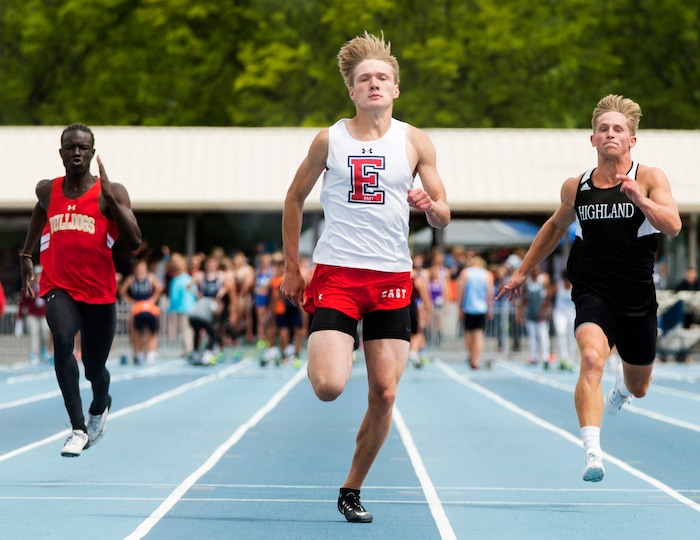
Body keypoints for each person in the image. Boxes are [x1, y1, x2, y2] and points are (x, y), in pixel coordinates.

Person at [280, 31, 450, 523]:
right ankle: (329, 341)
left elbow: (443, 213)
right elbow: (293, 199)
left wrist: (430, 206)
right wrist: (294, 267)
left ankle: (351, 489)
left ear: (396, 88)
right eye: (364, 79)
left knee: (385, 393)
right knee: (329, 386)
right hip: (338, 273)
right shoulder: (329, 139)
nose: (374, 84)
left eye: (382, 77)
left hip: (393, 277)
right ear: (351, 91)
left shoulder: (415, 141)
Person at [497, 95, 681, 483]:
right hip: (592, 291)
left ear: (632, 140)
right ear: (592, 139)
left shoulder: (649, 178)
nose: (610, 134)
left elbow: (673, 225)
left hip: (637, 297)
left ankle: (624, 388)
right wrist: (521, 273)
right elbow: (553, 229)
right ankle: (592, 452)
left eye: (618, 130)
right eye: (603, 129)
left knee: (640, 385)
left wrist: (641, 200)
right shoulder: (576, 186)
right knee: (592, 360)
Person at [19, 123, 142, 457]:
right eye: (70, 147)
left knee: (93, 368)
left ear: (92, 152)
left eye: (83, 147)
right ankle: (77, 427)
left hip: (99, 294)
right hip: (59, 286)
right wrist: (26, 253)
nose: (76, 152)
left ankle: (100, 403)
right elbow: (38, 213)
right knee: (61, 339)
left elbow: (134, 242)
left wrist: (111, 200)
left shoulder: (112, 192)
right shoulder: (47, 190)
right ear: (61, 153)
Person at [118, 259, 163, 364]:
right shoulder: (131, 279)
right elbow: (122, 291)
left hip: (148, 306)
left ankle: (151, 352)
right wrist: (130, 301)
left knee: (152, 330)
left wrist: (153, 299)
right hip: (137, 306)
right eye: (139, 268)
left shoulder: (150, 277)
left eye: (142, 267)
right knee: (134, 329)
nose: (141, 270)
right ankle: (139, 352)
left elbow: (159, 288)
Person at [456, 256, 494, 370]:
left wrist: (459, 306)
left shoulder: (465, 273)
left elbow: (460, 290)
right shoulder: (487, 275)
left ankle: (471, 355)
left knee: (468, 333)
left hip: (468, 307)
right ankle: (476, 359)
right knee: (479, 334)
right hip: (481, 308)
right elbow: (490, 293)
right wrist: (490, 307)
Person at [518, 264, 553, 368]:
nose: (534, 271)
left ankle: (545, 357)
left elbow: (549, 296)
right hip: (530, 312)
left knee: (543, 335)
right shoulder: (527, 281)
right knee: (532, 336)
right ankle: (534, 357)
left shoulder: (544, 278)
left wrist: (546, 311)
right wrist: (520, 311)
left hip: (541, 313)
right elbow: (524, 298)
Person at [16, 265, 52, 363]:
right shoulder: (29, 287)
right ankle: (34, 353)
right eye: (37, 275)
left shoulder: (47, 286)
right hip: (32, 314)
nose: (38, 277)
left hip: (44, 314)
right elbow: (22, 302)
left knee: (45, 333)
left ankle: (44, 350)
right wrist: (19, 318)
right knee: (34, 333)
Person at [552, 270, 576, 371]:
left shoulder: (575, 287)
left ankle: (571, 360)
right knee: (561, 333)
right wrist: (545, 309)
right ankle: (564, 358)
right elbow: (548, 297)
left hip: (572, 313)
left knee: (571, 336)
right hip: (560, 313)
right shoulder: (558, 286)